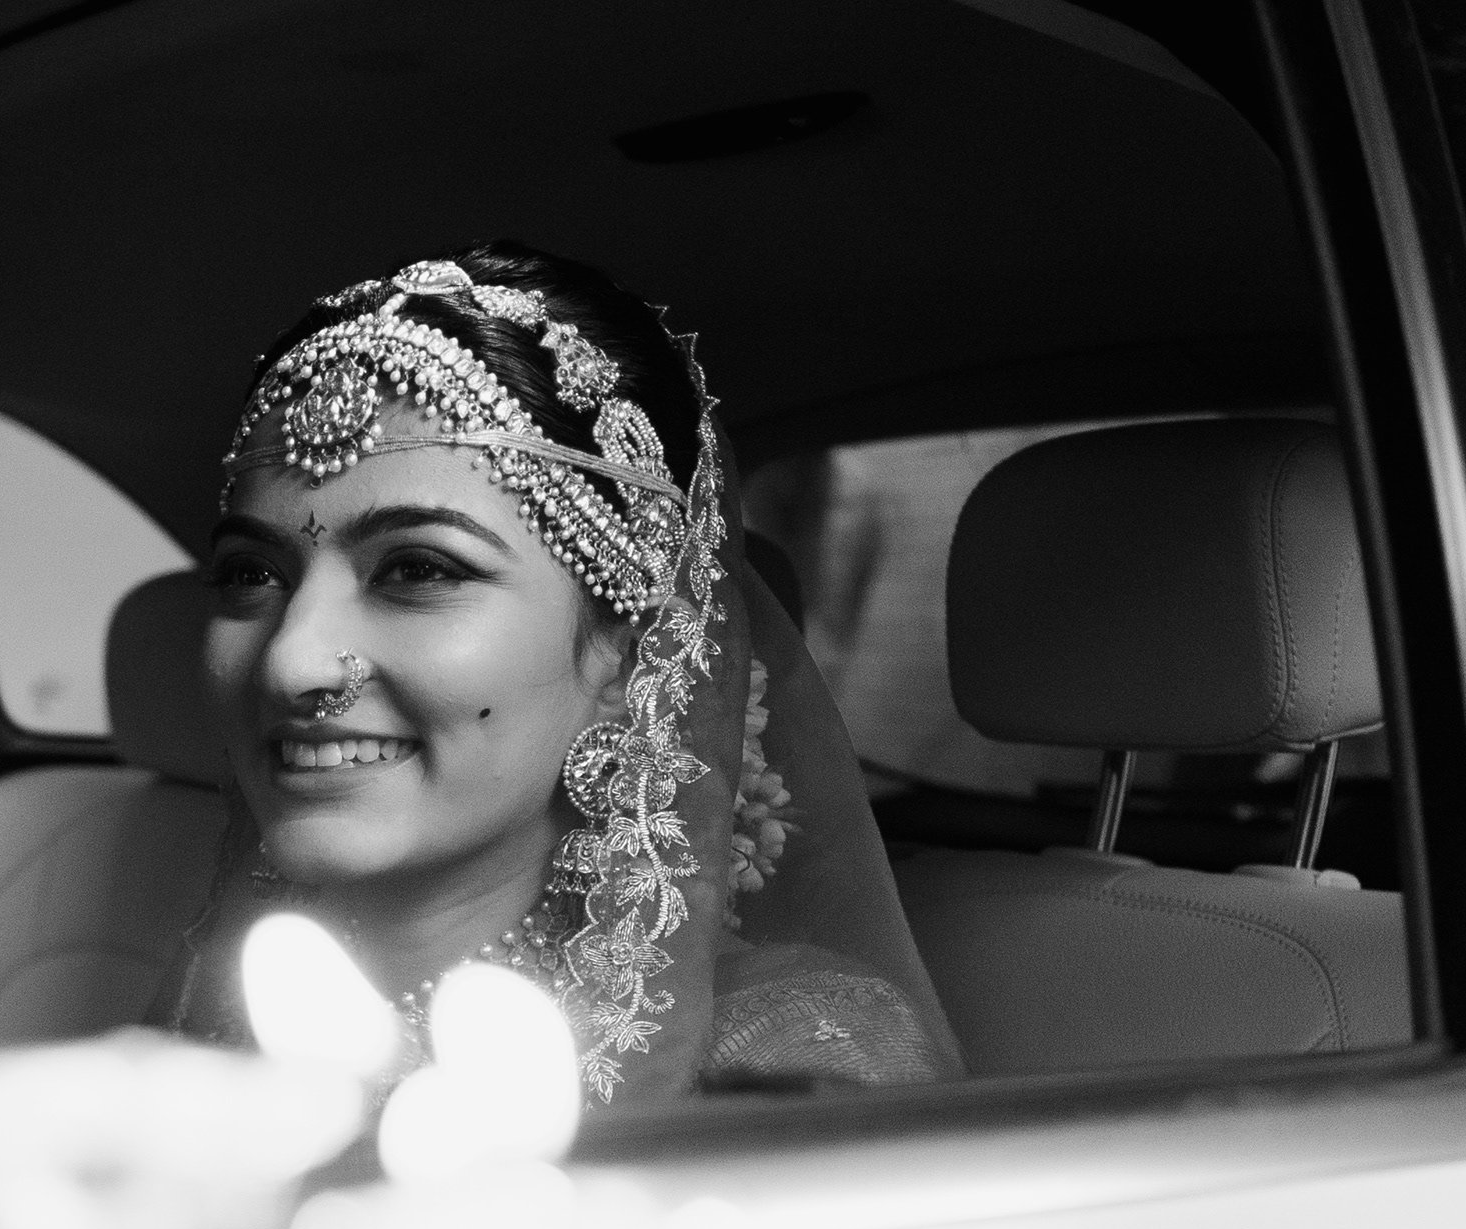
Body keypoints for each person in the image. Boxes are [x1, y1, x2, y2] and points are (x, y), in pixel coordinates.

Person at [165, 243, 956, 1102]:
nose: (292, 662)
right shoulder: (221, 1002)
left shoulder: (783, 1061)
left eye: (418, 571)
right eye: (251, 576)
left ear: (632, 646)